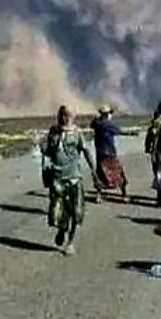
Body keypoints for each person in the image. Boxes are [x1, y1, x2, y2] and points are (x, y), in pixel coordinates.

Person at [41, 105, 97, 255]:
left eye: (68, 115)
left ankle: (70, 243)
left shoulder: (77, 133)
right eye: (63, 115)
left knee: (76, 213)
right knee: (57, 212)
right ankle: (61, 230)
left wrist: (94, 171)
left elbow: (86, 151)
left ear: (73, 117)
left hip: (74, 178)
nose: (65, 118)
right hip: (57, 179)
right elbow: (49, 151)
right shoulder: (53, 132)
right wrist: (44, 149)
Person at [90, 104, 128, 198]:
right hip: (110, 152)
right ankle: (124, 195)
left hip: (99, 152)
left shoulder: (97, 123)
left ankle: (98, 195)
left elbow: (92, 124)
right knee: (119, 173)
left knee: (100, 173)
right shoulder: (109, 124)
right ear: (107, 114)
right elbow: (118, 130)